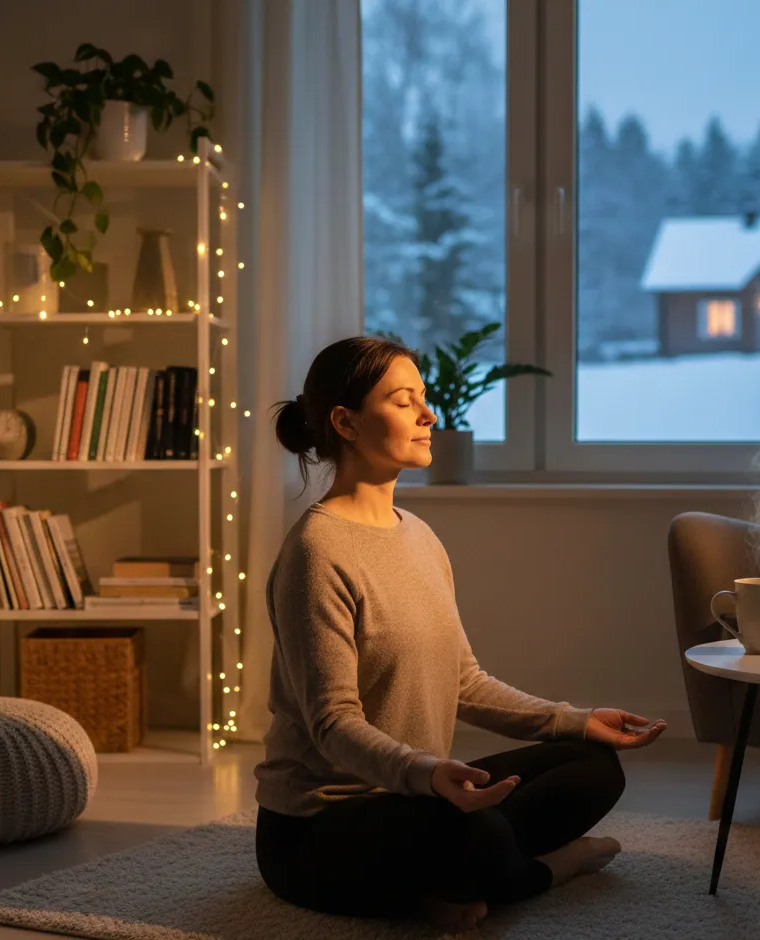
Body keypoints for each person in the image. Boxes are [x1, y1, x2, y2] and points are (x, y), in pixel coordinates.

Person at [254, 335, 667, 933]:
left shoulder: (419, 536)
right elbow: (332, 724)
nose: (429, 414)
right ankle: (543, 872)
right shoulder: (316, 552)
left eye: (424, 397)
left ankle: (450, 880)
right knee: (470, 830)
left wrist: (577, 718)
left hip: (417, 799)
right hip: (318, 829)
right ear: (345, 422)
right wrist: (427, 774)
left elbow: (464, 681)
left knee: (593, 765)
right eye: (404, 401)